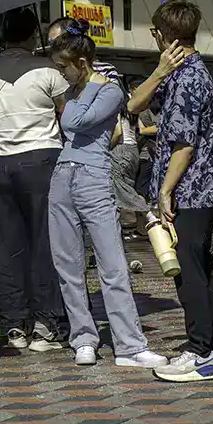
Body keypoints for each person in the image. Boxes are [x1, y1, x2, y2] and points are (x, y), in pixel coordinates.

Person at [47, 29, 168, 369]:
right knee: (67, 264)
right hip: (62, 177)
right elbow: (72, 125)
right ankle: (83, 337)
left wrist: (78, 98)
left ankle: (129, 345)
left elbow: (72, 121)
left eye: (63, 66)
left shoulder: (110, 90)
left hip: (94, 177)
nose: (61, 74)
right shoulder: (74, 90)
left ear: (82, 63)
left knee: (112, 262)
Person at [127, 0, 213, 382]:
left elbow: (183, 146)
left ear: (162, 35)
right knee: (201, 267)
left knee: (189, 271)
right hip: (194, 188)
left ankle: (200, 351)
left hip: (190, 189)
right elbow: (133, 105)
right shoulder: (177, 72)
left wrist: (165, 192)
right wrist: (158, 71)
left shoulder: (189, 78)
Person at [0, 7, 67, 352]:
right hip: (42, 159)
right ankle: (47, 323)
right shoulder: (49, 70)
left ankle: (14, 324)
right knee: (43, 241)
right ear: (33, 35)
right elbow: (68, 113)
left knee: (4, 245)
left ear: (2, 36)